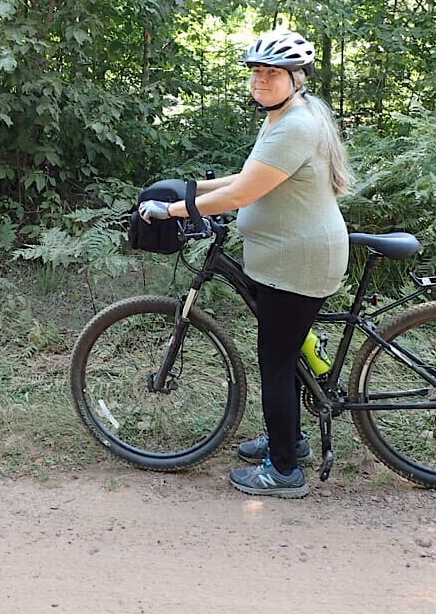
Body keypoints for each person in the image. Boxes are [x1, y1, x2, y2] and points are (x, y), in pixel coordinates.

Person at [137, 29, 352, 498]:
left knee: (274, 364)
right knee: (288, 355)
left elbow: (242, 194)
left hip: (298, 264)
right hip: (287, 257)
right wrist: (192, 188)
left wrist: (172, 210)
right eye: (256, 71)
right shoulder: (284, 117)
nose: (261, 80)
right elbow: (249, 178)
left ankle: (284, 473)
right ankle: (290, 443)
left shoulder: (295, 124)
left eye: (272, 72)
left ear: (297, 77)